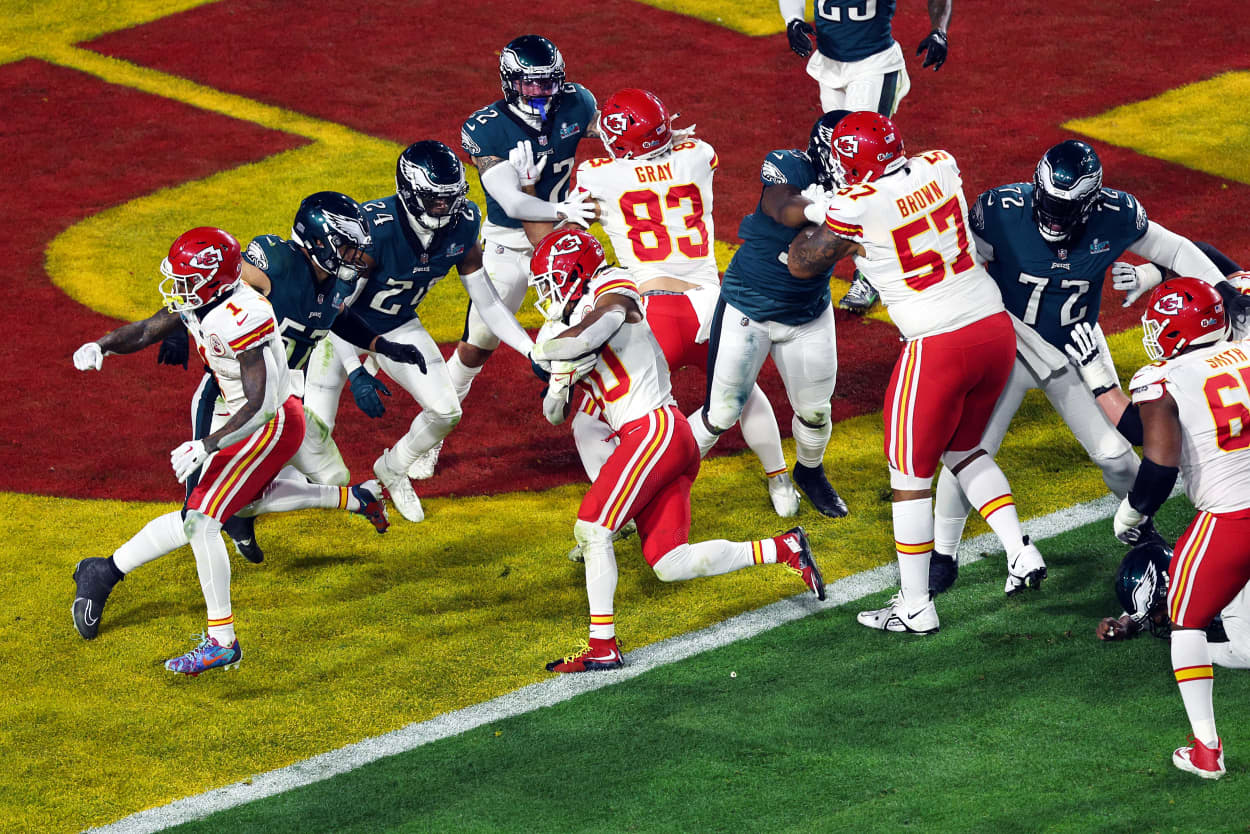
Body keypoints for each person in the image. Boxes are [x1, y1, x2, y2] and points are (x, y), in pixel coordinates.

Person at [71, 228, 387, 674]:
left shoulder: (243, 314)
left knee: (201, 521)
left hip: (267, 424)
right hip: (248, 416)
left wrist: (208, 444)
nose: (177, 288)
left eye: (186, 279)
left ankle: (221, 639)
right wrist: (101, 344)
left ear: (213, 280)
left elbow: (258, 404)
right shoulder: (205, 302)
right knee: (235, 504)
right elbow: (147, 329)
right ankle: (355, 498)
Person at [927, 140, 1225, 595]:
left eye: (1066, 210)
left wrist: (1223, 288)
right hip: (1007, 345)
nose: (1052, 217)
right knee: (969, 450)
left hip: (1076, 346)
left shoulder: (1115, 214)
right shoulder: (1001, 210)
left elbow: (1179, 251)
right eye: (1047, 204)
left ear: (1089, 204)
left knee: (1116, 455)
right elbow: (960, 268)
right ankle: (943, 555)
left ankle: (1141, 532)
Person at [788, 111, 1043, 634]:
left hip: (936, 343)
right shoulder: (940, 164)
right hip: (991, 328)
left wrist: (815, 208)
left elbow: (803, 261)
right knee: (964, 448)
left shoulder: (854, 203)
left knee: (908, 479)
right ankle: (1020, 550)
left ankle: (915, 605)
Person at [528, 229, 826, 673]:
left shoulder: (613, 284)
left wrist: (551, 352)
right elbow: (554, 414)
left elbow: (595, 330)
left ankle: (602, 645)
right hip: (665, 438)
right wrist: (558, 379)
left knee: (592, 528)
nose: (546, 293)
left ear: (574, 273)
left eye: (550, 280)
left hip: (654, 428)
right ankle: (783, 549)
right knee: (669, 562)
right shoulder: (567, 324)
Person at [563, 88, 799, 518]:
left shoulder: (597, 174)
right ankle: (781, 481)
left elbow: (583, 206)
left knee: (593, 420)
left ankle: (624, 505)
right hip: (715, 304)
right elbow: (681, 151)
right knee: (744, 393)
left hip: (655, 313)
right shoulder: (697, 155)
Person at [301, 141, 536, 523]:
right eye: (435, 200)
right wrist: (356, 371)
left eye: (451, 198)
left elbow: (489, 303)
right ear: (410, 194)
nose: (446, 208)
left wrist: (531, 351)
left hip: (396, 325)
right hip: (339, 331)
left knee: (446, 411)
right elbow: (334, 309)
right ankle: (261, 481)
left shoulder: (463, 223)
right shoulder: (372, 230)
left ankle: (392, 469)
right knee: (316, 447)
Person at [415, 34, 599, 481]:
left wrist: (657, 141)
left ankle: (616, 428)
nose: (542, 93)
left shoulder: (578, 102)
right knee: (477, 347)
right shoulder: (485, 128)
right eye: (531, 85)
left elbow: (613, 134)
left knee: (599, 330)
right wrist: (562, 209)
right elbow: (513, 204)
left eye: (549, 83)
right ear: (509, 82)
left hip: (559, 237)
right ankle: (429, 438)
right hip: (504, 243)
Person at [1111, 277, 1250, 779]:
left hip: (1230, 519)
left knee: (1184, 621)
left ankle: (1206, 752)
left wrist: (1131, 513)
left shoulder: (1162, 378)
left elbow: (1160, 467)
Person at [691, 110, 853, 519]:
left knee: (816, 411)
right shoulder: (789, 165)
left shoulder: (864, 188)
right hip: (750, 306)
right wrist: (821, 209)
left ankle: (810, 472)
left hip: (808, 313)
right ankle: (656, 479)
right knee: (721, 412)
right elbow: (782, 206)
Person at [781, 0, 952, 316]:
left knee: (872, 167)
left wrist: (939, 30)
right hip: (830, 64)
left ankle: (873, 271)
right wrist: (792, 20)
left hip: (874, 65)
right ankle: (838, 247)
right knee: (837, 164)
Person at [1097, 540, 1250, 670]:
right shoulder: (1182, 577)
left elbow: (1246, 653)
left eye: (1159, 608)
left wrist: (1200, 650)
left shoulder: (1228, 581)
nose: (1158, 620)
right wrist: (1126, 623)